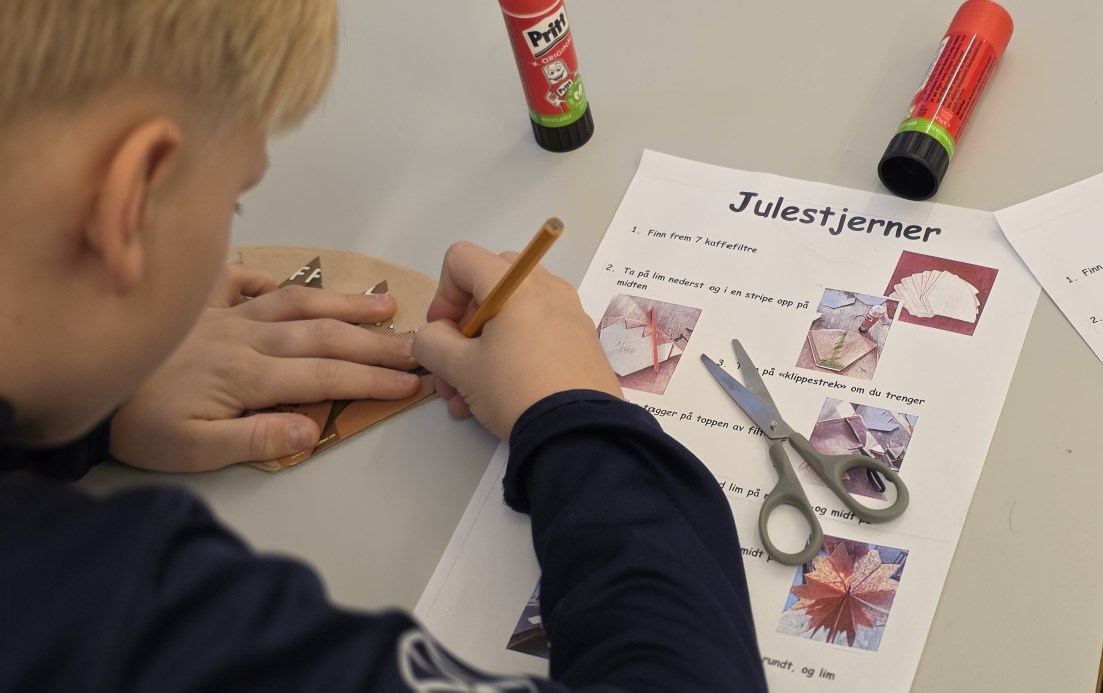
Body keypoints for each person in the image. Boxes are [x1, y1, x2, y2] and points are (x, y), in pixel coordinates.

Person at [0, 2, 765, 691]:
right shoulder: (131, 626)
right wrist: (580, 419)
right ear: (132, 203)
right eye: (236, 200)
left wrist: (89, 389)